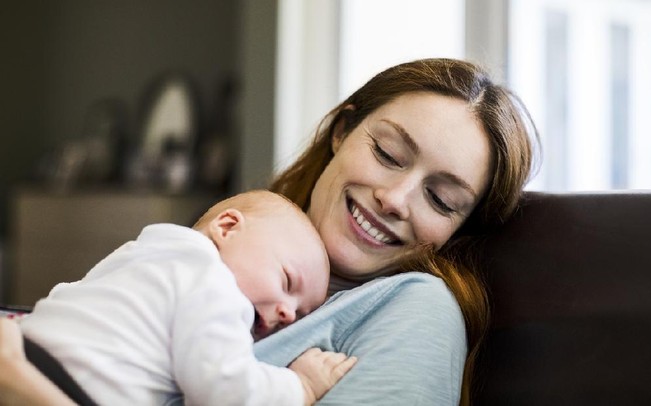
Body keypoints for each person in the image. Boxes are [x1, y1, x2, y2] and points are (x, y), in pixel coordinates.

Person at [0, 58, 538, 405]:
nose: (395, 199)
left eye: (442, 199)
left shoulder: (415, 309)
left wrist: (24, 387)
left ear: (460, 229)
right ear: (342, 132)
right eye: (387, 153)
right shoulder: (223, 253)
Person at [18, 190, 357, 405]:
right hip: (64, 385)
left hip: (29, 348)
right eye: (286, 280)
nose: (287, 313)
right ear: (226, 228)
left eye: (299, 314)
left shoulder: (148, 252)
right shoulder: (213, 282)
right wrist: (302, 386)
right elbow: (225, 391)